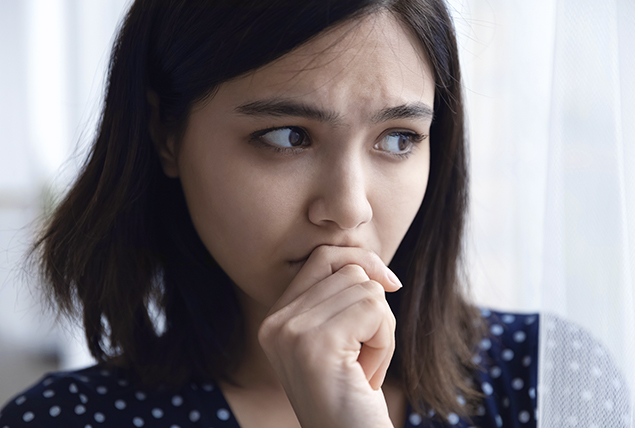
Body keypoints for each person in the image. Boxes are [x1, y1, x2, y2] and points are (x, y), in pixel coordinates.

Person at [0, 0, 540, 427]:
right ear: (166, 134)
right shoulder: (62, 420)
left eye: (398, 139)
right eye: (288, 137)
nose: (350, 208)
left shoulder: (543, 378)